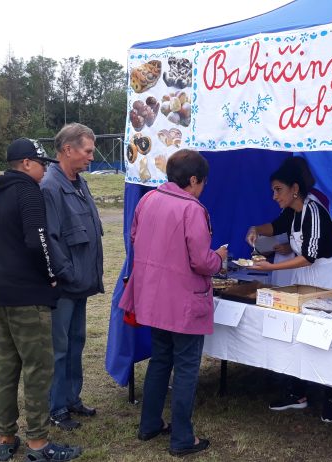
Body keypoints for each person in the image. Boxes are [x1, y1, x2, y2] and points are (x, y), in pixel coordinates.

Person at [119, 149, 227, 457]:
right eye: (202, 183)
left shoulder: (148, 200)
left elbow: (135, 240)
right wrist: (218, 259)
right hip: (184, 303)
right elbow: (201, 261)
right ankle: (182, 438)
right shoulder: (193, 209)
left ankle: (150, 423)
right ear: (193, 180)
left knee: (160, 361)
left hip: (153, 299)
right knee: (187, 368)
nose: (203, 189)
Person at [0, 138, 82, 461]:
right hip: (27, 296)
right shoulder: (29, 192)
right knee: (38, 368)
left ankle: (6, 436)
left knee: (7, 366)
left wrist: (6, 265)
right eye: (41, 164)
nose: (44, 170)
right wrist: (50, 275)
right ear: (26, 164)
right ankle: (39, 444)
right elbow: (38, 242)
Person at [245, 159, 332, 423]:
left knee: (328, 336)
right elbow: (276, 226)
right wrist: (256, 229)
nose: (274, 196)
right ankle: (297, 392)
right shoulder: (292, 210)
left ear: (294, 188)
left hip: (327, 275)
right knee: (298, 331)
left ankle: (331, 395)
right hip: (305, 275)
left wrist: (268, 266)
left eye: (278, 190)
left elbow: (309, 256)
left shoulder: (313, 209)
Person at [41, 123, 103, 431]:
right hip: (65, 285)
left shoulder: (79, 182)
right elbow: (49, 240)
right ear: (68, 150)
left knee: (76, 342)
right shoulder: (50, 187)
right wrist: (66, 273)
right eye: (88, 151)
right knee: (59, 348)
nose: (92, 157)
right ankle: (56, 406)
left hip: (81, 283)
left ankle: (71, 398)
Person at [269, 156, 329, 286]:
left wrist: (289, 247)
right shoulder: (298, 198)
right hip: (297, 264)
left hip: (303, 262)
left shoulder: (311, 201)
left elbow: (315, 236)